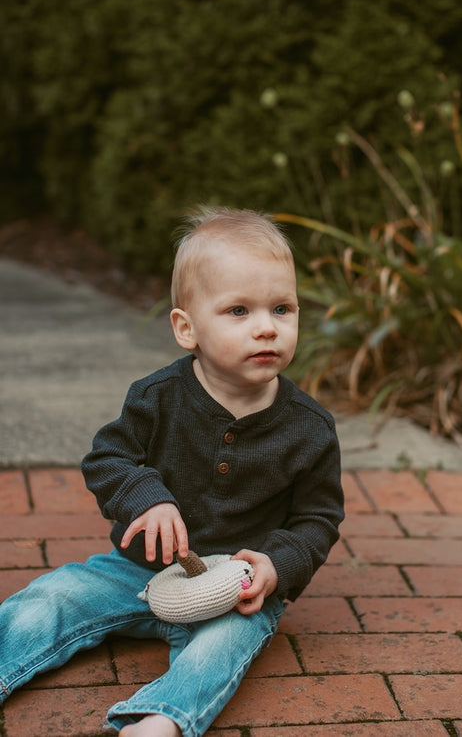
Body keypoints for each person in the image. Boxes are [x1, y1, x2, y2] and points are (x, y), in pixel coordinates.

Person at [0, 206, 344, 736]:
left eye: (282, 308)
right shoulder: (157, 397)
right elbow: (107, 458)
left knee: (225, 646)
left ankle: (162, 718)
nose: (266, 328)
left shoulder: (310, 428)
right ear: (187, 328)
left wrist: (277, 565)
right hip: (136, 570)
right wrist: (148, 497)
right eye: (238, 311)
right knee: (52, 598)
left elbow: (318, 518)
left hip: (233, 590)